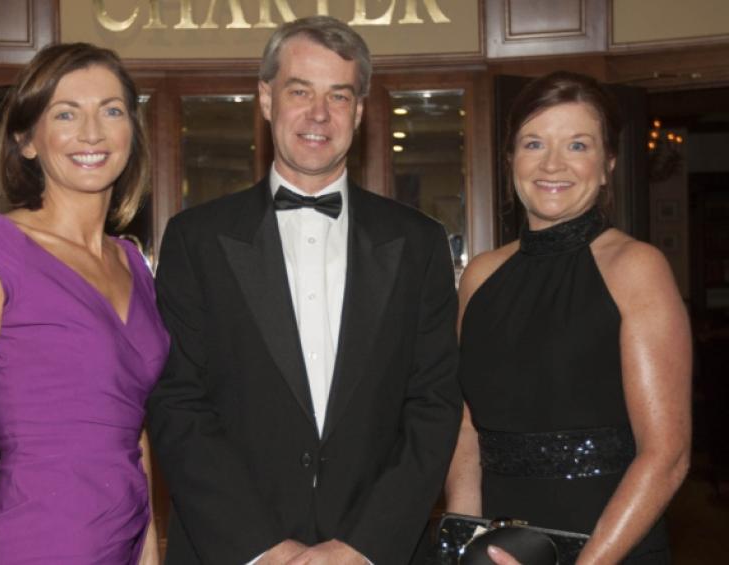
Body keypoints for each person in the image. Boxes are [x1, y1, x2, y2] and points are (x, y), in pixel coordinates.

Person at [147, 15, 461, 565]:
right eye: (300, 91)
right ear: (266, 99)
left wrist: (363, 546)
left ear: (359, 112)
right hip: (233, 550)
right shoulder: (196, 239)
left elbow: (433, 408)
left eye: (338, 96)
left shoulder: (419, 242)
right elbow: (178, 404)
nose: (319, 114)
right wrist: (262, 548)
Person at [0, 43, 169, 564]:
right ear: (27, 140)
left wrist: (149, 554)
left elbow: (133, 434)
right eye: (66, 113)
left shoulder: (133, 266)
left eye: (111, 110)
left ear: (132, 130)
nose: (92, 132)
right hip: (34, 546)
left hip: (123, 547)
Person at [444, 71, 691, 563]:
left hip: (610, 549)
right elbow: (466, 426)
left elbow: (666, 456)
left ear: (607, 166)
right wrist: (465, 541)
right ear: (511, 159)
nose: (552, 163)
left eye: (578, 145)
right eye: (534, 143)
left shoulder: (635, 268)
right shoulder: (479, 276)